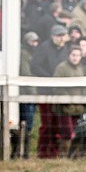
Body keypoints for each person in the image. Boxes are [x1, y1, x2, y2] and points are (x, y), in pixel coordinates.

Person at [31, 24, 70, 158]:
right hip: (46, 90)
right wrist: (50, 78)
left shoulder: (66, 49)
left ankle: (54, 152)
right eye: (58, 36)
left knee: (57, 123)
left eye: (63, 36)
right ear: (52, 36)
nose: (61, 38)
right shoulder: (44, 48)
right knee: (47, 123)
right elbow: (35, 66)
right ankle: (43, 151)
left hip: (60, 91)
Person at [53, 45, 86, 157]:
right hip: (65, 107)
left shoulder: (82, 69)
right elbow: (57, 87)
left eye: (78, 55)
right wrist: (68, 100)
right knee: (67, 133)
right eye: (73, 55)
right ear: (69, 55)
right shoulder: (61, 68)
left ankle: (72, 156)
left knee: (77, 132)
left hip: (78, 107)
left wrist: (83, 101)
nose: (75, 57)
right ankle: (62, 156)